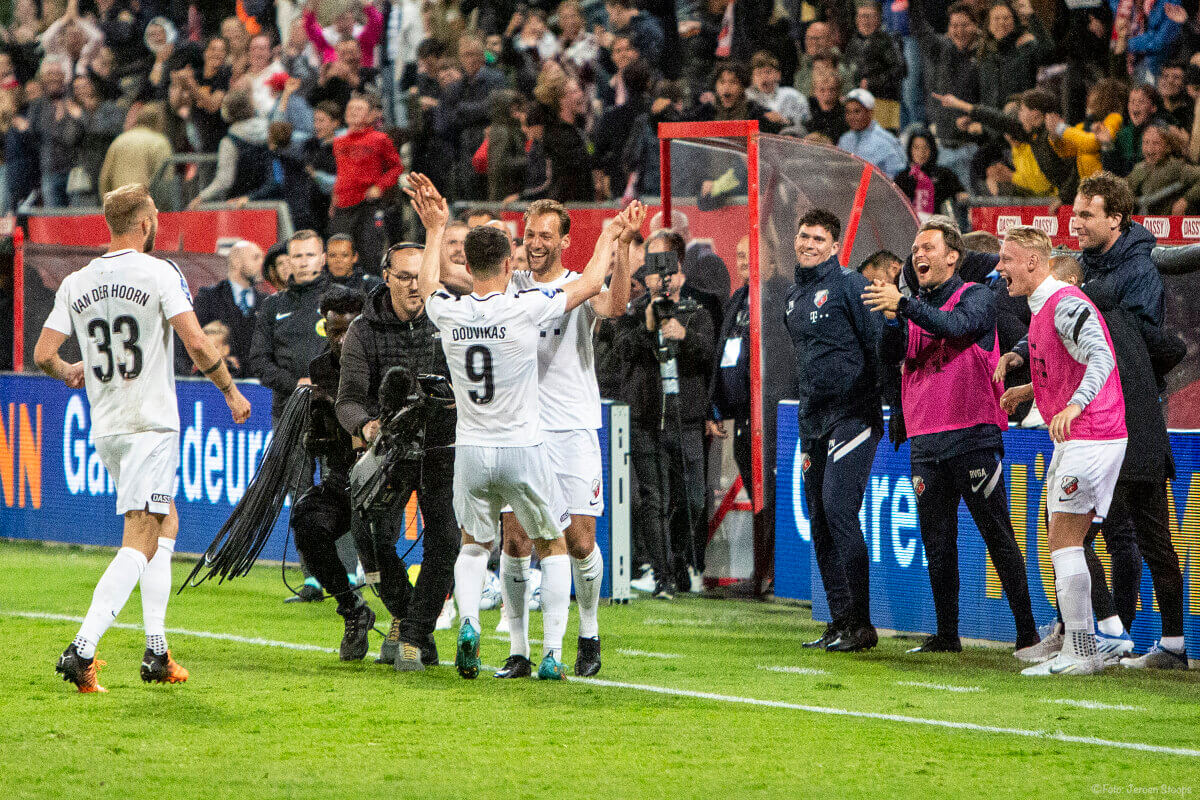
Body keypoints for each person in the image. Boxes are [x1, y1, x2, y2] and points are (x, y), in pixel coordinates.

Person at [35, 183, 251, 692]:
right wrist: (231, 392)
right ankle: (81, 650)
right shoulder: (159, 272)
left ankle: (156, 650)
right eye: (154, 214)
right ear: (145, 223)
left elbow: (45, 354)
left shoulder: (77, 281)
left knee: (164, 518)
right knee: (141, 535)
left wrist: (70, 372)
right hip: (150, 424)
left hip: (107, 425)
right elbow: (196, 341)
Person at [407, 172, 610, 681]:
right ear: (507, 263)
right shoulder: (523, 308)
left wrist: (435, 229)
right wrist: (608, 236)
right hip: (523, 446)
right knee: (553, 545)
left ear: (467, 265)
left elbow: (428, 284)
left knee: (474, 543)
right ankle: (550, 655)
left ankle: (470, 623)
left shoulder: (449, 313)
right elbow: (587, 285)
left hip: (471, 449)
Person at [862, 217, 1039, 653]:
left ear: (953, 256)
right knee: (937, 541)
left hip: (972, 433)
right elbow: (891, 355)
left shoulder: (976, 296)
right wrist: (890, 320)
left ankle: (1027, 632)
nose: (918, 254)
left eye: (928, 247)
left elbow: (958, 327)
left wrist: (903, 306)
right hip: (926, 438)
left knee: (997, 534)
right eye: (915, 249)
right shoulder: (912, 306)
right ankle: (947, 634)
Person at [495, 199, 642, 680]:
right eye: (529, 235)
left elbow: (615, 305)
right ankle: (518, 648)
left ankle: (590, 629)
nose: (535, 244)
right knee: (516, 541)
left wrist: (617, 250)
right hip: (520, 431)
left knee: (579, 541)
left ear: (563, 241)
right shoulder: (507, 289)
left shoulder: (578, 283)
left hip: (573, 429)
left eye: (544, 236)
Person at [995, 226, 1127, 677]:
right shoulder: (1041, 309)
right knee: (1064, 539)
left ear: (1033, 261)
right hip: (1080, 435)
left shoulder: (1066, 303)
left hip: (1093, 433)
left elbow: (1102, 358)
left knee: (1064, 541)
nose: (999, 269)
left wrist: (1074, 404)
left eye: (1007, 259)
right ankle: (1076, 642)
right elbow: (1065, 365)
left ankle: (1083, 650)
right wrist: (1030, 389)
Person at [1047, 256, 1189, 670]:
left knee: (1067, 535)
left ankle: (1109, 631)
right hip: (1151, 442)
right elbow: (1174, 347)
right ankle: (1174, 645)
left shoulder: (1073, 318)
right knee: (1157, 545)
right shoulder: (1123, 315)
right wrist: (1147, 375)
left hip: (1114, 440)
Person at [334, 239, 460, 672]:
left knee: (446, 538)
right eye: (403, 277)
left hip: (441, 447)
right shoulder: (362, 332)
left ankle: (414, 631)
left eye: (419, 277)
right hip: (387, 450)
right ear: (385, 277)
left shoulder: (448, 321)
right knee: (368, 534)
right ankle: (409, 619)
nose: (413, 287)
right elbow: (347, 400)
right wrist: (368, 427)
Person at [784, 208, 882, 653]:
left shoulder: (850, 286)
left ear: (835, 246)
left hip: (852, 415)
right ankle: (840, 621)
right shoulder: (793, 297)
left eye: (818, 239)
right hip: (813, 423)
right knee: (821, 523)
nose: (808, 244)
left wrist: (889, 405)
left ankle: (862, 624)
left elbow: (878, 346)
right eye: (804, 236)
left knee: (838, 510)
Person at [615, 229, 715, 598]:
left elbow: (708, 356)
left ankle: (681, 561)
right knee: (652, 498)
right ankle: (662, 575)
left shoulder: (697, 312)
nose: (657, 274)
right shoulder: (632, 310)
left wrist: (682, 336)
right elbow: (624, 351)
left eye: (664, 265)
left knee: (692, 499)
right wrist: (648, 325)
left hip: (685, 418)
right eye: (652, 266)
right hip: (644, 418)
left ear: (678, 267)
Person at [291, 285, 376, 660]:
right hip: (342, 478)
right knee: (307, 521)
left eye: (347, 330)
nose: (340, 340)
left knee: (380, 546)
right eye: (333, 331)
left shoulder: (380, 361)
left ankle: (408, 623)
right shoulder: (318, 369)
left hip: (384, 477)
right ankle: (352, 609)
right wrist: (316, 431)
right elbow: (320, 439)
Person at [250, 230, 332, 423]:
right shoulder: (272, 305)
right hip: (287, 411)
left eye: (310, 255)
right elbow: (259, 360)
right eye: (297, 256)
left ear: (322, 259)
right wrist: (294, 383)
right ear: (289, 261)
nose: (303, 262)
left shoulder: (341, 299)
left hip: (332, 410)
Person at [331, 93, 403, 276]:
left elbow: (396, 167)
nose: (353, 112)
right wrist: (333, 200)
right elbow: (341, 173)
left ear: (371, 115)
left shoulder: (380, 139)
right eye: (350, 109)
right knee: (340, 252)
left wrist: (380, 186)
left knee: (369, 253)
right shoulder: (339, 142)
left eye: (359, 109)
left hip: (367, 204)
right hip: (343, 204)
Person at [189, 240, 265, 378]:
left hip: (256, 387)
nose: (262, 263)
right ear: (236, 262)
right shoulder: (209, 298)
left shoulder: (266, 303)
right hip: (214, 385)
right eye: (256, 258)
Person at [837, 88, 905, 177]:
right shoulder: (845, 140)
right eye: (848, 112)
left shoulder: (886, 140)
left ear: (870, 112)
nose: (851, 117)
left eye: (857, 111)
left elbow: (899, 177)